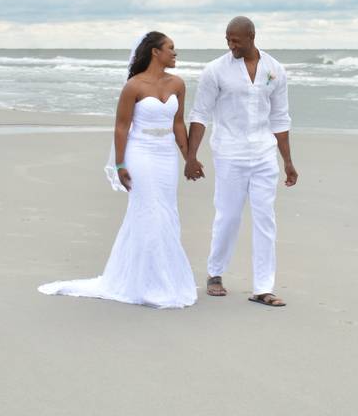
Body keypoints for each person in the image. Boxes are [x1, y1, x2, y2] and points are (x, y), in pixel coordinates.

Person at [38, 32, 197, 309]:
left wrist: (189, 158)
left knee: (168, 212)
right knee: (150, 211)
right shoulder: (133, 86)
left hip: (165, 155)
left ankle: (163, 278)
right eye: (170, 48)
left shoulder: (178, 84)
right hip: (141, 153)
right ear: (155, 52)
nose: (175, 53)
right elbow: (122, 127)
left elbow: (179, 124)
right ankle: (149, 283)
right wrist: (120, 164)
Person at [185, 16, 298, 307]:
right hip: (229, 153)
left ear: (252, 37)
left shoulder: (275, 70)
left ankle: (263, 287)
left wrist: (287, 161)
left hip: (263, 153)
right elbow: (200, 114)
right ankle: (215, 273)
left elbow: (280, 117)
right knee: (228, 216)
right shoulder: (215, 70)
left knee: (265, 218)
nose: (231, 45)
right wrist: (191, 155)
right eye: (227, 40)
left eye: (236, 40)